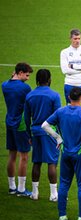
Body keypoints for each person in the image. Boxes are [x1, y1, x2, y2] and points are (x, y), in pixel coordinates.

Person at [42, 87, 81, 220]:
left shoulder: (61, 111)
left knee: (64, 184)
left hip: (66, 152)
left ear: (69, 97)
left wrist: (58, 138)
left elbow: (45, 125)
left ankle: (62, 215)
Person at [24, 69, 61, 201]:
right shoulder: (54, 95)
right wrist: (60, 136)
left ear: (37, 80)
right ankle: (54, 194)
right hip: (50, 132)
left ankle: (35, 193)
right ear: (49, 79)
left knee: (37, 162)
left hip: (35, 131)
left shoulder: (30, 95)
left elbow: (26, 118)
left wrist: (29, 135)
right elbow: (58, 117)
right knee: (52, 162)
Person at [2, 62, 33, 197]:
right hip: (21, 124)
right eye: (26, 75)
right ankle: (21, 189)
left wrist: (14, 77)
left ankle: (11, 187)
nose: (28, 78)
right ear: (20, 73)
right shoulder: (25, 88)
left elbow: (10, 83)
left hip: (9, 121)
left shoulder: (4, 85)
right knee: (24, 156)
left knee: (12, 154)